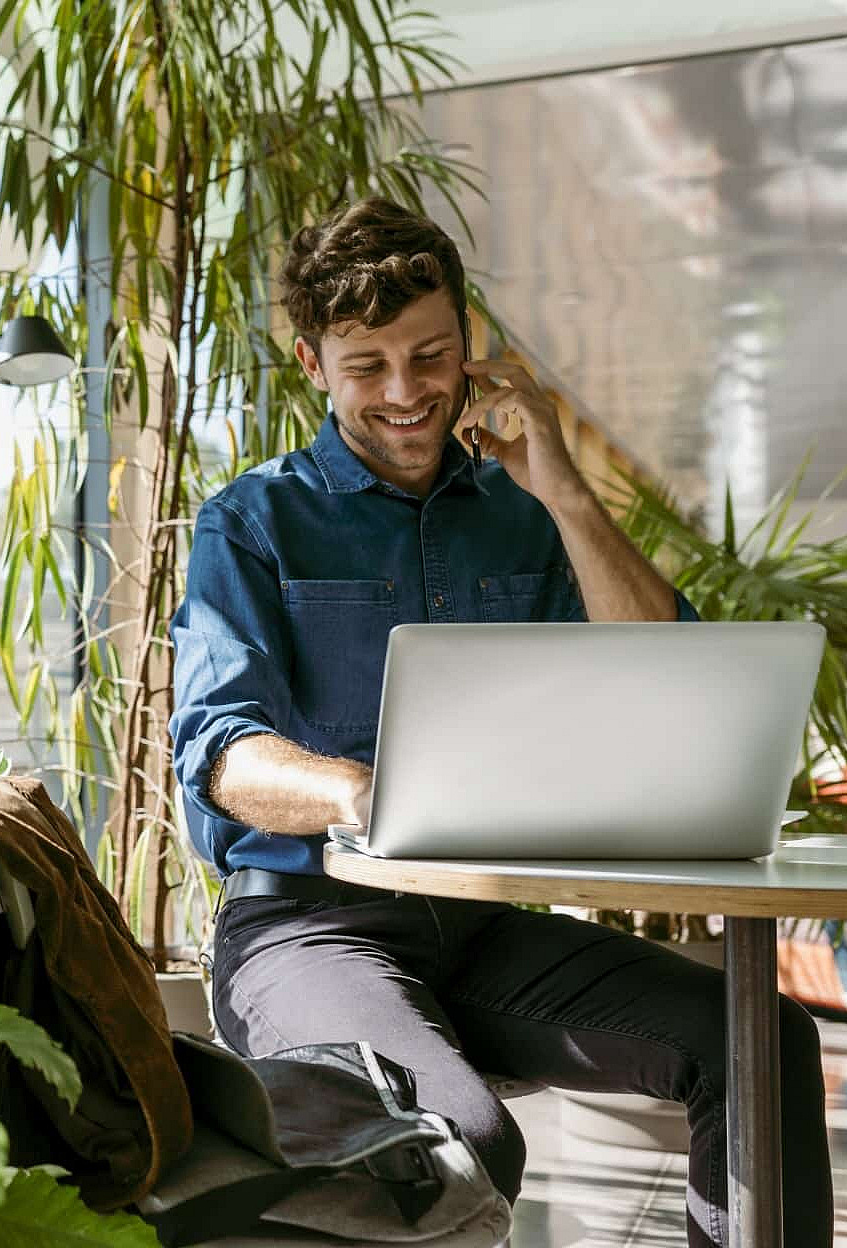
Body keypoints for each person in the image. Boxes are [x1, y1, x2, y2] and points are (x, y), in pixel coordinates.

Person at [168, 197, 831, 1246]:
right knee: (462, 1138)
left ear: (470, 346)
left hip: (480, 928)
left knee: (760, 1043)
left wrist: (565, 490)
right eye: (366, 365)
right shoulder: (251, 521)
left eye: (429, 355)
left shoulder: (521, 511)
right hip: (304, 928)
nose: (403, 392)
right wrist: (357, 791)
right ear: (310, 363)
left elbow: (663, 679)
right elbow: (218, 752)